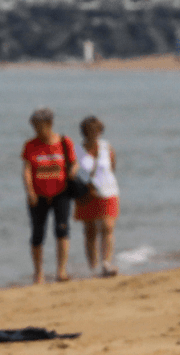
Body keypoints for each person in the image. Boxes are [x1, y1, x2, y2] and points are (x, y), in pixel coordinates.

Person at [21, 108, 79, 284]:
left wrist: (72, 173)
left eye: (39, 127)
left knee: (62, 230)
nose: (37, 131)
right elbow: (27, 170)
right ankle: (38, 273)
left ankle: (61, 271)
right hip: (37, 196)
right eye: (34, 127)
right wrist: (30, 191)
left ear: (50, 124)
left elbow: (74, 163)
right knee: (37, 234)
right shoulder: (30, 145)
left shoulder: (64, 142)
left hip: (61, 193)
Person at [74, 115, 120, 277]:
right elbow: (76, 172)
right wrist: (89, 186)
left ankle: (106, 263)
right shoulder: (78, 150)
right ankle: (92, 266)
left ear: (100, 131)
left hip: (108, 191)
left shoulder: (107, 147)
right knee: (90, 230)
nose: (93, 133)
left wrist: (103, 182)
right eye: (90, 130)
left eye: (96, 129)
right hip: (87, 194)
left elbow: (112, 167)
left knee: (107, 227)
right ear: (84, 132)